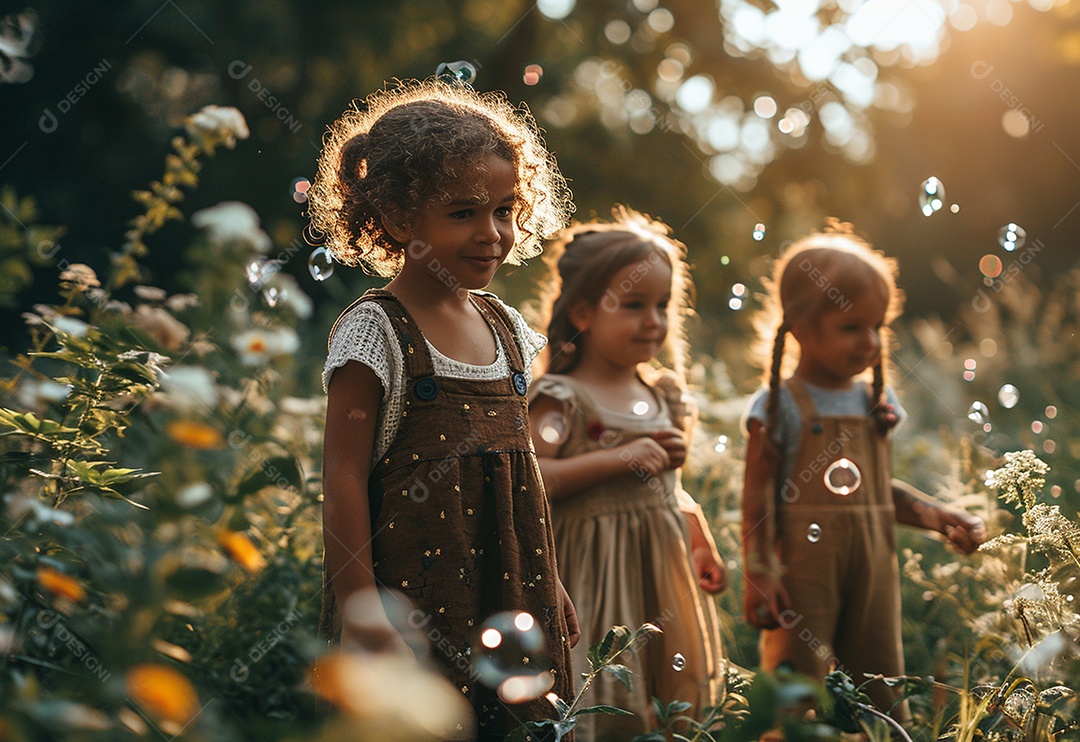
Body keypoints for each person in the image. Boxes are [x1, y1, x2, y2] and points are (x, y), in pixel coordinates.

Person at [311, 78, 580, 739]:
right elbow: (343, 478)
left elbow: (519, 470)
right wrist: (360, 609)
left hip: (511, 591)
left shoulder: (508, 328)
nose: (492, 233)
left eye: (504, 211)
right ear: (401, 219)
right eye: (463, 213)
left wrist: (551, 578)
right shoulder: (378, 332)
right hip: (411, 600)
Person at [740, 220, 987, 717]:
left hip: (874, 569)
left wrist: (938, 516)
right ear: (801, 328)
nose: (870, 342)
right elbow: (756, 498)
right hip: (804, 571)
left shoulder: (876, 400)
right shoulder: (779, 406)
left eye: (878, 327)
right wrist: (760, 571)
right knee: (795, 685)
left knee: (880, 682)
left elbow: (877, 491)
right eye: (851, 327)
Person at [528, 207, 726, 741]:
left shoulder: (662, 395)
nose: (653, 321)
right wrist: (621, 457)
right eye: (635, 305)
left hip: (660, 573)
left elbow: (670, 491)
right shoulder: (561, 398)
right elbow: (531, 480)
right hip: (591, 576)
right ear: (585, 312)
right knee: (605, 700)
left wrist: (699, 537)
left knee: (666, 702)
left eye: (662, 305)